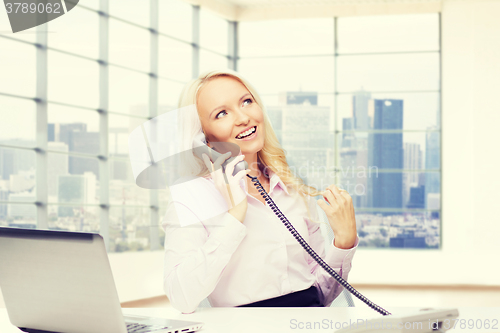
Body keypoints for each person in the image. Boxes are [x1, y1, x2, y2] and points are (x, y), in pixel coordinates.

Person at [161, 69, 359, 314]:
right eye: (221, 113)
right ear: (203, 139)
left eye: (246, 101)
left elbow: (322, 296)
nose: (243, 118)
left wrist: (344, 242)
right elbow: (181, 297)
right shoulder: (193, 198)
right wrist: (235, 215)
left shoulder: (292, 190)